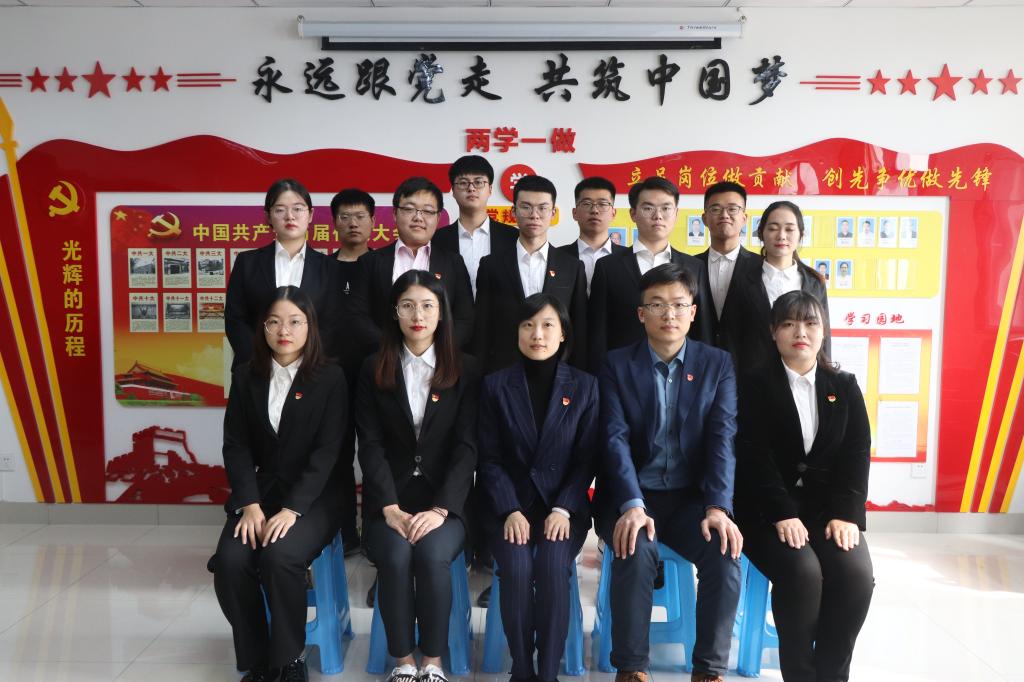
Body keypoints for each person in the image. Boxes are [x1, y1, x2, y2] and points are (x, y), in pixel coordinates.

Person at [594, 263, 742, 682]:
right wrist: (631, 504)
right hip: (631, 495)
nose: (669, 314)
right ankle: (632, 668)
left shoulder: (717, 365)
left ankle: (709, 670)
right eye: (657, 305)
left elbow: (722, 439)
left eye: (678, 305)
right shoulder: (615, 365)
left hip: (691, 500)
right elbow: (614, 440)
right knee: (634, 547)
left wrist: (717, 507)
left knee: (724, 553)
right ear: (641, 314)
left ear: (693, 312)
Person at [735, 291, 874, 682]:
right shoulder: (753, 384)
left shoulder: (843, 385)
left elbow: (857, 453)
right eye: (789, 323)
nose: (801, 332)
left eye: (811, 323)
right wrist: (781, 512)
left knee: (855, 577)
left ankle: (831, 675)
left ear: (823, 331)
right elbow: (752, 456)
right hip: (767, 511)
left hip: (827, 512)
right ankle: (800, 675)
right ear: (773, 332)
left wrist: (846, 515)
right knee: (803, 574)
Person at [213, 286, 347, 682]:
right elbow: (236, 445)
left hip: (315, 498)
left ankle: (289, 658)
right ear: (263, 328)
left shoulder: (331, 377)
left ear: (310, 326)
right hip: (261, 495)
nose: (283, 330)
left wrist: (293, 509)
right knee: (230, 562)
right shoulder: (246, 376)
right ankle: (257, 660)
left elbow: (328, 452)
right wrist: (249, 504)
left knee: (279, 556)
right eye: (274, 322)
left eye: (294, 321)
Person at [356, 270, 479, 682]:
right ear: (395, 312)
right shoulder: (373, 368)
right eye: (407, 305)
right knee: (394, 557)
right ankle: (403, 661)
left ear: (442, 313)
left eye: (428, 305)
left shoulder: (465, 369)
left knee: (430, 556)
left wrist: (442, 508)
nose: (418, 315)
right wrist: (389, 507)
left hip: (445, 502)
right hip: (389, 499)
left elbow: (467, 447)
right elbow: (369, 444)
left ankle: (433, 661)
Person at [477, 293, 598, 682]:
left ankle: (547, 673)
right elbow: (488, 458)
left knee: (551, 565)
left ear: (563, 334)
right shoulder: (495, 386)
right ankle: (522, 670)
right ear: (517, 333)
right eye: (528, 325)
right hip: (508, 507)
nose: (537, 334)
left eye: (547, 325)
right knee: (515, 567)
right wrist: (509, 509)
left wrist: (563, 508)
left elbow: (587, 460)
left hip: (562, 508)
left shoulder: (585, 386)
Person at [588, 176, 710, 374]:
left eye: (666, 208)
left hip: (679, 372)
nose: (658, 216)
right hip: (623, 373)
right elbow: (598, 331)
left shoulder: (694, 266)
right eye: (648, 208)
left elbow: (701, 329)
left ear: (676, 213)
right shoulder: (608, 267)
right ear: (633, 214)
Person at [475, 174, 588, 373]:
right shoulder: (491, 265)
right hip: (503, 370)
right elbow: (482, 327)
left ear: (553, 213)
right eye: (526, 207)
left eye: (542, 208)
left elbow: (578, 326)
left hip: (556, 370)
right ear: (514, 211)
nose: (534, 215)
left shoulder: (572, 266)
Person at [353, 177, 475, 350]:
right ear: (394, 214)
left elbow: (464, 319)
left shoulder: (453, 263)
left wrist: (438, 352)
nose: (418, 217)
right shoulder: (370, 262)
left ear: (438, 217)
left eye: (428, 211)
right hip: (384, 358)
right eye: (409, 209)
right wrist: (391, 350)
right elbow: (358, 317)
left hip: (441, 360)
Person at [226, 179, 336, 370]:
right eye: (280, 210)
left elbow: (332, 323)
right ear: (268, 217)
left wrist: (307, 361)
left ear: (310, 215)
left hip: (312, 370)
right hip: (255, 369)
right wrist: (261, 361)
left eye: (298, 209)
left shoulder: (330, 268)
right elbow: (235, 319)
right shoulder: (247, 263)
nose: (290, 216)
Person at [329, 187, 376, 553]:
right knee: (336, 455)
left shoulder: (383, 266)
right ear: (334, 223)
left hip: (377, 375)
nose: (353, 223)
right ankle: (344, 533)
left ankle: (376, 534)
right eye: (345, 217)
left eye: (360, 216)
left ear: (373, 222)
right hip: (332, 376)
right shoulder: (320, 268)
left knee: (377, 454)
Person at [736, 200, 829, 373]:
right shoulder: (742, 280)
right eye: (773, 228)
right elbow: (732, 336)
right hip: (754, 378)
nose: (781, 236)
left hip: (803, 377)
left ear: (801, 235)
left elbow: (823, 336)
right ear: (761, 234)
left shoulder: (815, 282)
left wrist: (825, 379)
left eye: (789, 229)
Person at [432, 154, 519, 295]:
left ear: (490, 189)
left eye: (478, 182)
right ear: (453, 191)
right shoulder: (436, 240)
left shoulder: (513, 237)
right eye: (463, 183)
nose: (471, 188)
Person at [694, 181, 760, 358]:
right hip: (699, 362)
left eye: (732, 209)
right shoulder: (689, 266)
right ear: (704, 218)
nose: (724, 215)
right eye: (716, 209)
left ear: (744, 218)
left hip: (748, 363)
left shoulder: (761, 266)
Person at [557, 176, 629, 294]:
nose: (595, 210)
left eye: (602, 204)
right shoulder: (557, 257)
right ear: (575, 213)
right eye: (587, 204)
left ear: (613, 213)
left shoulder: (629, 259)